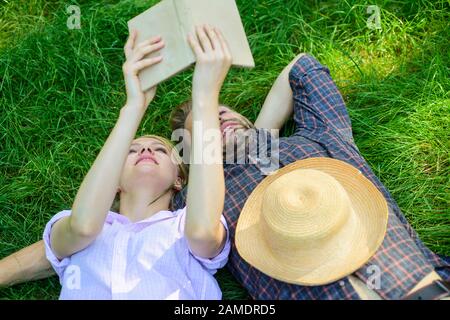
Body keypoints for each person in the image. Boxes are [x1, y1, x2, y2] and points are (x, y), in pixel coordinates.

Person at [2, 45, 449, 300]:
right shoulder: (190, 203)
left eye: (229, 112)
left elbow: (302, 67)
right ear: (187, 160)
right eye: (210, 124)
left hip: (426, 285)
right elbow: (80, 237)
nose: (224, 118)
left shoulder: (315, 139)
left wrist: (263, 135)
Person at [0, 24, 233, 299]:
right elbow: (82, 226)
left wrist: (205, 98)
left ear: (179, 179)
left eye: (160, 149)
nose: (146, 148)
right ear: (114, 180)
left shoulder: (184, 226)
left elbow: (204, 232)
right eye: (131, 150)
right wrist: (134, 105)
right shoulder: (79, 227)